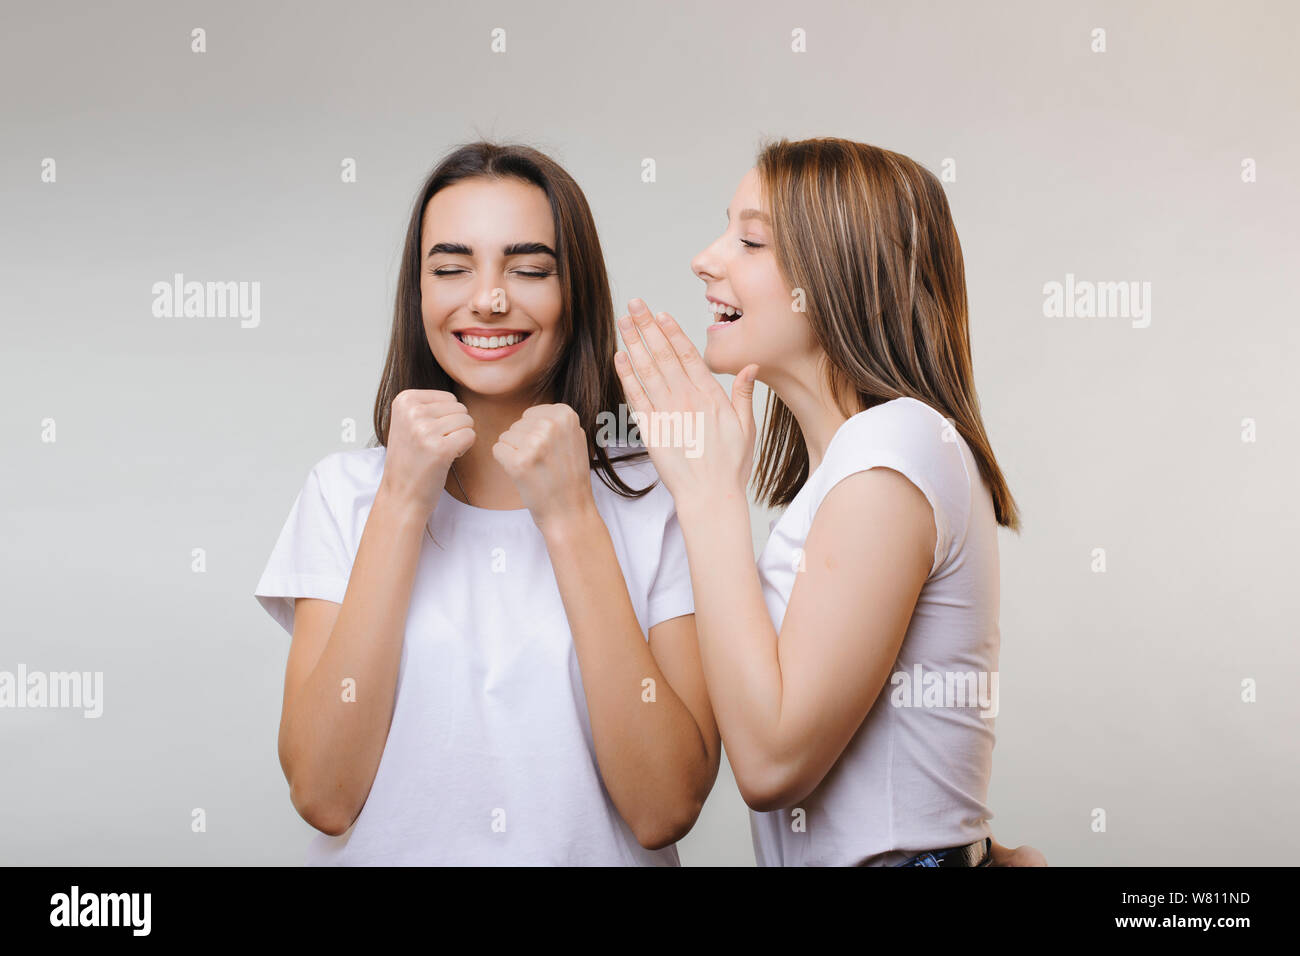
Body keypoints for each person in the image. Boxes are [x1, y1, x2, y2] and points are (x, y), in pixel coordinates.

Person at [254, 142, 719, 865]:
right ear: (420, 295)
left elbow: (665, 807)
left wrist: (570, 518)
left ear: (576, 295)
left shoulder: (656, 497)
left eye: (529, 268)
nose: (490, 296)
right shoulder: (342, 494)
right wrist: (403, 502)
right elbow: (323, 791)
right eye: (451, 268)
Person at [614, 136, 1045, 866]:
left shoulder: (895, 446)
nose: (707, 258)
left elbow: (773, 763)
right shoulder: (860, 464)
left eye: (751, 239)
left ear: (843, 278)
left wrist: (709, 493)